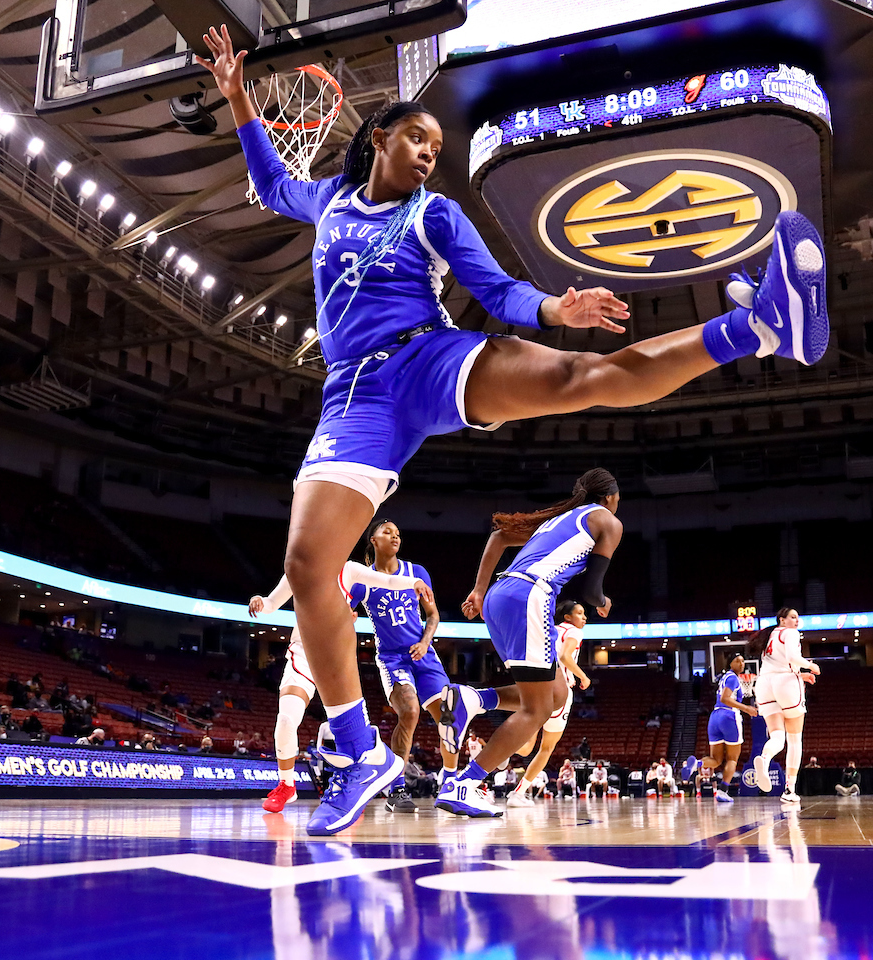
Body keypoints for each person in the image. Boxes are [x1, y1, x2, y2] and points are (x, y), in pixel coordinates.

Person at [195, 24, 829, 837]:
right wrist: (241, 96)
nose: (429, 151)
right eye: (417, 138)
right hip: (355, 398)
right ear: (378, 138)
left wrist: (555, 309)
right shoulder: (328, 202)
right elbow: (272, 180)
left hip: (430, 360)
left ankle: (759, 329)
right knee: (308, 562)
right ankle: (359, 751)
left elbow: (495, 292)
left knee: (585, 376)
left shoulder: (435, 214)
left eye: (436, 144)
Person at [440, 469, 622, 817]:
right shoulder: (608, 522)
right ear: (611, 497)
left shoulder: (558, 519)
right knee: (536, 709)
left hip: (500, 595)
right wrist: (602, 602)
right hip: (530, 596)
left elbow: (498, 536)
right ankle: (465, 784)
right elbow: (590, 590)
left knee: (556, 695)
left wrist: (479, 589)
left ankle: (473, 699)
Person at [249, 558, 436, 813]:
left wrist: (413, 581)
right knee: (285, 719)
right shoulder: (298, 566)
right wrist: (262, 601)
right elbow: (272, 603)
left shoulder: (348, 568)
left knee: (355, 738)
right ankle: (286, 784)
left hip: (336, 656)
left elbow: (388, 580)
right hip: (304, 652)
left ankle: (353, 790)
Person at [348, 521, 502, 813]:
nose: (394, 535)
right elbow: (345, 609)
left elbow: (432, 615)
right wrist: (347, 616)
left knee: (449, 716)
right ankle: (396, 789)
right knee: (409, 711)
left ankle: (451, 781)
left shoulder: (416, 572)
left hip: (424, 654)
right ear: (373, 540)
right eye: (387, 532)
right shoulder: (362, 579)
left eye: (398, 532)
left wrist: (425, 641)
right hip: (392, 657)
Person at [512, 600, 589, 807]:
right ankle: (518, 794)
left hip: (537, 687)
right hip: (559, 691)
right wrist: (583, 676)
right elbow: (565, 656)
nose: (584, 617)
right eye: (580, 613)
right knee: (546, 748)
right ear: (567, 617)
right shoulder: (574, 632)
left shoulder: (550, 630)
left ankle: (504, 753)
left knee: (527, 747)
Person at [750, 608, 819, 805]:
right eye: (793, 617)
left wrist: (800, 674)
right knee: (795, 740)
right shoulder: (790, 632)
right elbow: (792, 659)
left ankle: (764, 759)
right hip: (786, 684)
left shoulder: (768, 635)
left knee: (777, 736)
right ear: (782, 619)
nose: (796, 621)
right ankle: (789, 789)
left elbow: (779, 665)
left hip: (764, 684)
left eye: (798, 617)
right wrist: (811, 666)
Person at [701, 653, 758, 803]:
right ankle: (722, 791)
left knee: (716, 760)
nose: (741, 664)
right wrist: (746, 708)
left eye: (742, 661)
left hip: (714, 717)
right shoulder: (732, 677)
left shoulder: (724, 678)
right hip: (729, 716)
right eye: (737, 661)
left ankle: (696, 763)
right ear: (730, 664)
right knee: (732, 758)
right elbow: (725, 698)